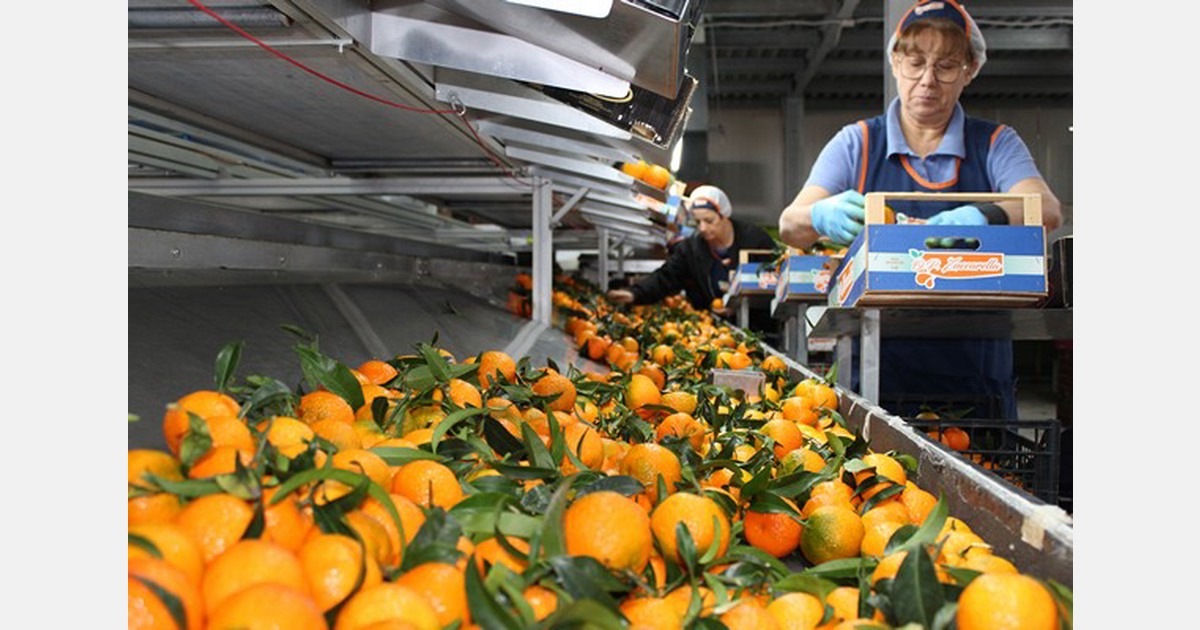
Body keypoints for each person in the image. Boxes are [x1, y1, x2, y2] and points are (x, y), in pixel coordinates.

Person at [777, 0, 1062, 419]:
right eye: (915, 63)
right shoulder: (857, 143)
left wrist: (983, 216)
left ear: (970, 70)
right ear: (895, 62)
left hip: (976, 386)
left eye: (946, 66)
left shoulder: (996, 144)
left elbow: (1048, 209)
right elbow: (790, 224)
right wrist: (821, 215)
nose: (928, 80)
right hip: (874, 380)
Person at [607, 184, 780, 338]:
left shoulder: (755, 240)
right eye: (698, 222)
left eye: (709, 220)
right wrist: (635, 293)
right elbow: (666, 277)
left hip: (762, 333)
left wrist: (740, 305)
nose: (703, 228)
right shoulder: (691, 249)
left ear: (724, 216)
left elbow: (775, 282)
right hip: (714, 334)